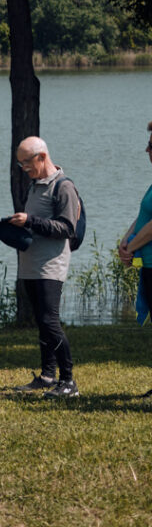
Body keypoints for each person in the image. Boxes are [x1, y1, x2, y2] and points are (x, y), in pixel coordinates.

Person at [2, 136, 82, 398]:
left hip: (51, 265)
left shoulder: (64, 186)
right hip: (30, 263)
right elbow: (35, 223)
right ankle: (48, 376)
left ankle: (68, 382)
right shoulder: (35, 186)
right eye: (20, 165)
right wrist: (13, 225)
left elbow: (67, 228)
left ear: (42, 157)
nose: (24, 169)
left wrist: (31, 220)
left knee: (50, 321)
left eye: (27, 163)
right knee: (41, 321)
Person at [116, 121, 152, 395]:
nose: (147, 150)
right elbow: (142, 219)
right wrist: (125, 242)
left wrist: (131, 248)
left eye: (151, 145)